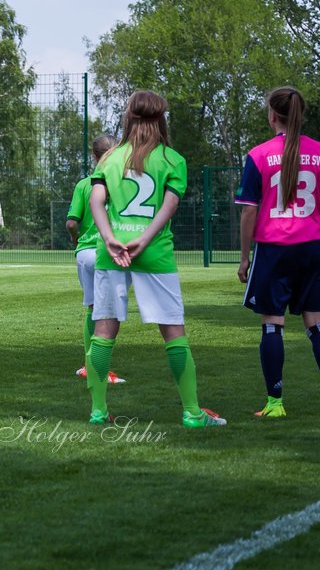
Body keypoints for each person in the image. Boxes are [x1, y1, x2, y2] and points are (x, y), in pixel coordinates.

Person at [87, 90, 226, 428]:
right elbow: (170, 205)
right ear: (162, 118)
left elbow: (96, 200)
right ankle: (192, 413)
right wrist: (144, 239)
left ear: (128, 117)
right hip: (154, 252)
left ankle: (97, 411)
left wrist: (109, 238)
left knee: (104, 330)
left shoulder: (110, 158)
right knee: (174, 332)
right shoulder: (172, 159)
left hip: (113, 252)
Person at [236, 86, 320, 419]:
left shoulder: (258, 155)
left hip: (274, 249)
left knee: (273, 325)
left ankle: (275, 404)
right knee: (317, 324)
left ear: (272, 114)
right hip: (313, 247)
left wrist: (245, 257)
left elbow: (248, 211)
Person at [65, 134, 125, 385]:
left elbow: (71, 222)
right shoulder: (121, 183)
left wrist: (76, 240)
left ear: (94, 156)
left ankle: (89, 366)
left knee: (92, 309)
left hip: (84, 253)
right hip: (106, 252)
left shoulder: (84, 184)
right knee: (108, 313)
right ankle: (100, 369)